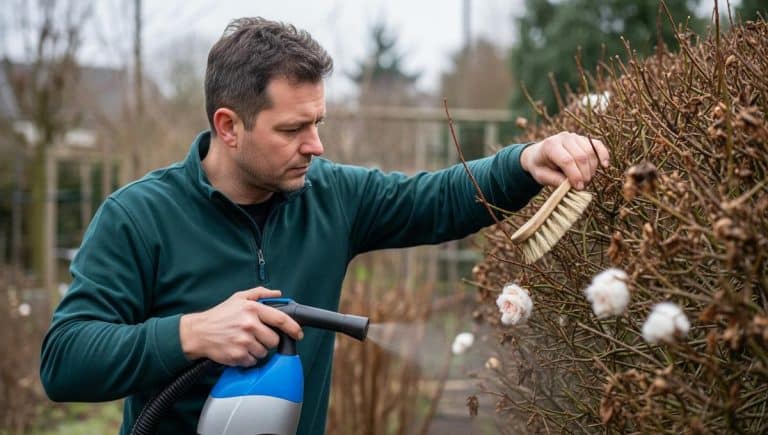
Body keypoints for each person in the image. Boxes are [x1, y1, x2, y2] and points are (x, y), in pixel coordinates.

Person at [40, 17, 610, 435]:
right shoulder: (138, 218)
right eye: (293, 129)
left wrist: (525, 161)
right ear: (229, 125)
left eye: (318, 122)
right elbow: (65, 361)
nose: (316, 145)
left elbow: (435, 198)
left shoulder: (330, 196)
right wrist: (192, 334)